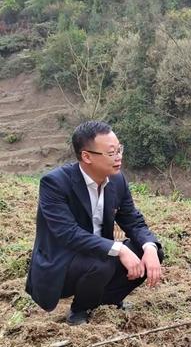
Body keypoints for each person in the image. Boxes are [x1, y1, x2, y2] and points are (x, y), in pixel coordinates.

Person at [26, 120, 164, 325]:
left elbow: (133, 221)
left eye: (119, 150)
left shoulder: (117, 180)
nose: (119, 157)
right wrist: (120, 249)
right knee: (104, 260)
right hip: (64, 263)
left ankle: (108, 301)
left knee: (149, 251)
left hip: (100, 256)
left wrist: (149, 246)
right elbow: (68, 234)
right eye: (111, 153)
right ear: (86, 156)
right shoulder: (55, 183)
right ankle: (79, 311)